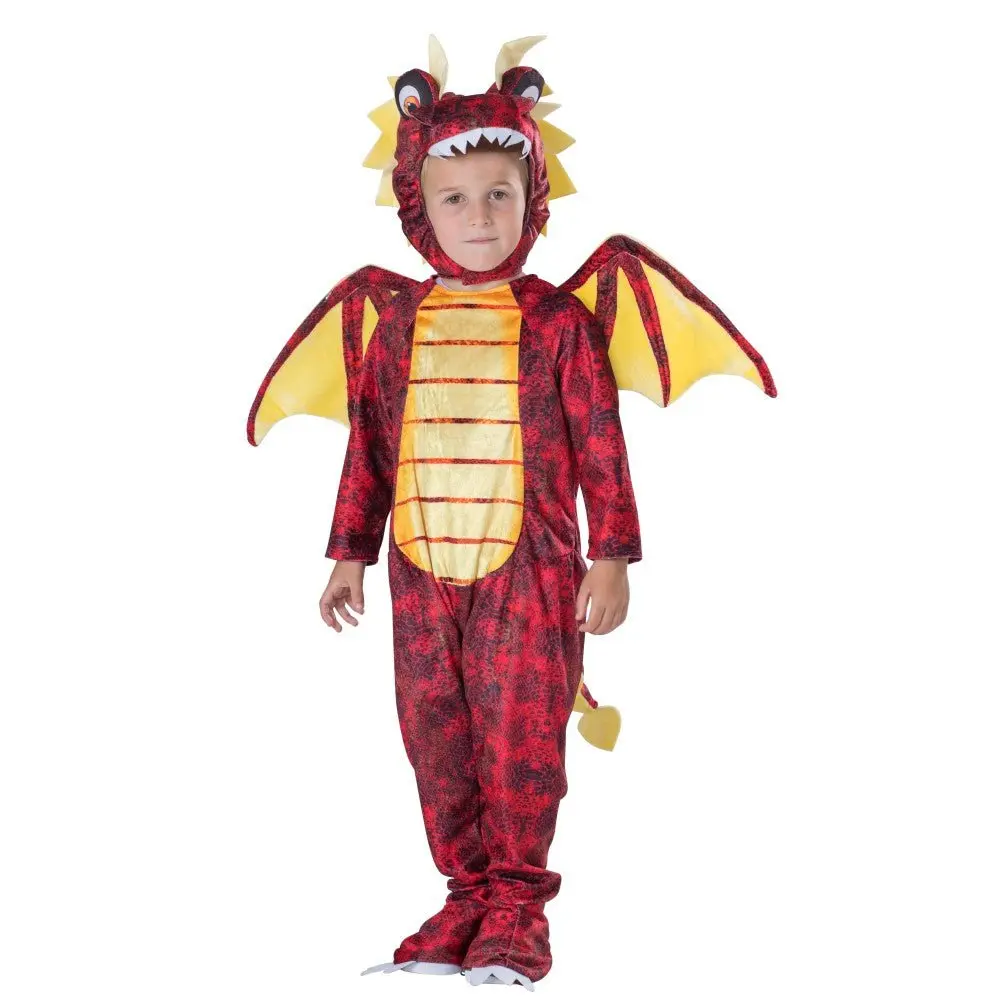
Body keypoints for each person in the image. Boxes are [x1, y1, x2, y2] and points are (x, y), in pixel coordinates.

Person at [319, 127, 641, 988]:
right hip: (419, 568)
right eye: (454, 199)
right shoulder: (395, 323)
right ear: (418, 209)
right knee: (435, 738)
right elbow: (370, 442)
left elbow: (600, 442)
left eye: (500, 193)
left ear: (532, 200)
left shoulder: (560, 321)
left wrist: (611, 554)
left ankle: (517, 913)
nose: (479, 217)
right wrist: (350, 552)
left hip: (528, 571)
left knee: (518, 739)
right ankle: (467, 898)